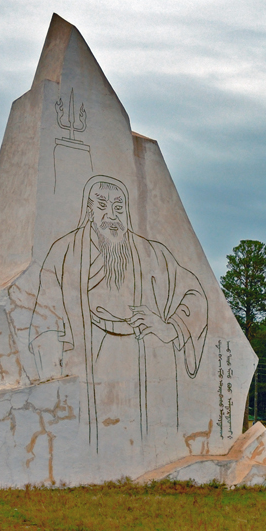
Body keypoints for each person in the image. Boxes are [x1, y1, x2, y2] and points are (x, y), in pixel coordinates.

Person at [29, 175, 208, 452]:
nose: (111, 215)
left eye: (119, 207)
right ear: (88, 210)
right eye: (102, 205)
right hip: (87, 352)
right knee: (89, 442)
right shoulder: (63, 254)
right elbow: (45, 322)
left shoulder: (152, 254)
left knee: (141, 438)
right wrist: (53, 383)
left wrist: (169, 327)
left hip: (143, 357)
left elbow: (195, 295)